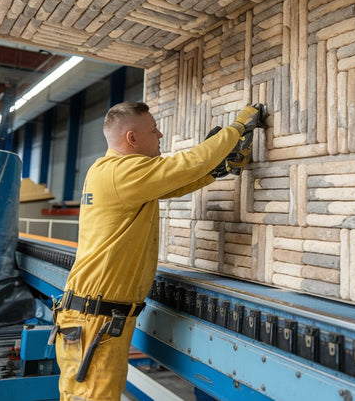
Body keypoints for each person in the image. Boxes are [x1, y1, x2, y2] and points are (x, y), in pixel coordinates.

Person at [53, 101, 264, 401]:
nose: (160, 134)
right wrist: (237, 128)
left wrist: (217, 170)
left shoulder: (108, 171)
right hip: (96, 322)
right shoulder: (122, 173)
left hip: (93, 318)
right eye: (153, 130)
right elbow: (185, 165)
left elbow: (174, 184)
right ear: (132, 139)